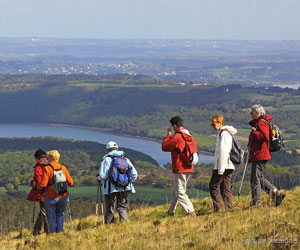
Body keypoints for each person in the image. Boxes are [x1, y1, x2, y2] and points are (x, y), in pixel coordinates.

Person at [248, 104, 285, 208]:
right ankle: (276, 193)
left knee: (255, 179)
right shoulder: (262, 122)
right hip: (261, 154)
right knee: (259, 178)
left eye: (252, 112)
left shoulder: (261, 123)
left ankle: (256, 203)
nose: (250, 114)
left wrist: (254, 132)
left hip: (260, 154)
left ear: (257, 113)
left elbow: (265, 137)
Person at [162, 116, 198, 216]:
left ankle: (190, 211)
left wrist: (168, 135)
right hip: (189, 166)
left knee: (179, 192)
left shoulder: (178, 136)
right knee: (175, 190)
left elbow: (165, 146)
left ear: (174, 126)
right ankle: (171, 211)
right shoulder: (190, 136)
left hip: (180, 167)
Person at [97, 141, 138, 224]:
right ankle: (124, 225)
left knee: (110, 209)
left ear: (108, 149)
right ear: (117, 149)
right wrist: (126, 182)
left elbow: (103, 176)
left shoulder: (107, 159)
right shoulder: (125, 159)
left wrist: (98, 177)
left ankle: (109, 227)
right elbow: (134, 174)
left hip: (110, 189)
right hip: (125, 188)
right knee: (122, 208)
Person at [38, 150, 73, 233]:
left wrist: (36, 185)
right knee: (60, 214)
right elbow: (71, 182)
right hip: (63, 196)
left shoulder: (47, 168)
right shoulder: (63, 168)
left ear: (50, 158)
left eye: (48, 157)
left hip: (50, 197)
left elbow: (43, 185)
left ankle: (53, 233)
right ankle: (60, 231)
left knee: (51, 217)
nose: (47, 158)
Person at [209, 115, 237, 212]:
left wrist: (220, 169)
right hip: (228, 165)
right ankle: (228, 209)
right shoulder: (226, 133)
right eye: (211, 124)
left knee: (213, 186)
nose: (212, 126)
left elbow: (223, 151)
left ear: (220, 123)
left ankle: (218, 209)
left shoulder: (223, 134)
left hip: (223, 165)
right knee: (225, 187)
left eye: (214, 124)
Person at [26, 149, 49, 235]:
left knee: (44, 212)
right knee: (43, 212)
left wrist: (33, 184)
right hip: (53, 191)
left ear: (37, 158)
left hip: (43, 193)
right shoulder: (50, 164)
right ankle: (36, 231)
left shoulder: (39, 167)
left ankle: (49, 232)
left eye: (35, 158)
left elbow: (39, 181)